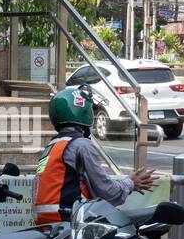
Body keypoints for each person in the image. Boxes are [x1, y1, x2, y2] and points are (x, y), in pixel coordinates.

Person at [33, 86, 156, 225]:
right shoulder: (81, 145)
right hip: (68, 223)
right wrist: (130, 183)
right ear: (84, 110)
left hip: (46, 224)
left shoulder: (53, 146)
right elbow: (106, 191)